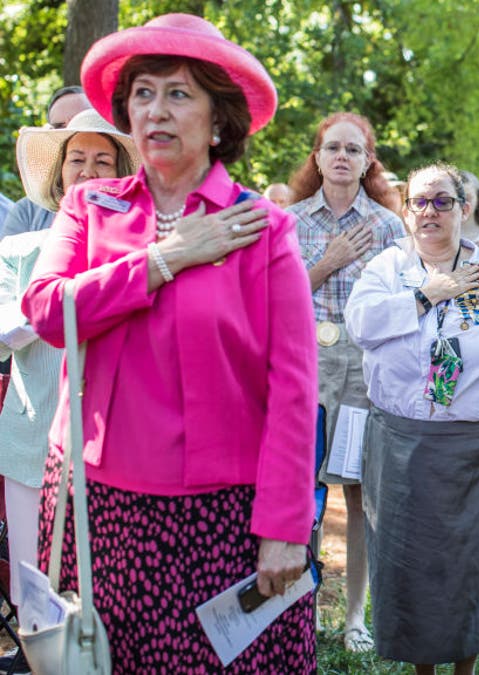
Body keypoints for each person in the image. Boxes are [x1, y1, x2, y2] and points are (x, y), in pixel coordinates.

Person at [21, 14, 318, 671]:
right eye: (144, 93)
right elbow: (46, 310)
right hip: (100, 509)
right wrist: (163, 259)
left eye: (179, 93)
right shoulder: (90, 207)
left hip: (227, 521)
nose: (156, 109)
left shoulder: (263, 228)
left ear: (219, 120)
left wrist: (284, 526)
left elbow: (295, 388)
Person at [344, 163, 479, 674]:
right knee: (410, 569)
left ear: (465, 209)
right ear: (405, 210)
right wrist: (428, 295)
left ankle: (465, 670)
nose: (430, 211)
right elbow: (361, 325)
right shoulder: (387, 269)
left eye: (442, 201)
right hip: (403, 447)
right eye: (419, 201)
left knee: (469, 569)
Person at [0, 107, 138, 675]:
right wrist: (64, 299)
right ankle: (37, 663)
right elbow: (5, 332)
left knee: (112, 584)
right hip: (32, 441)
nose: (87, 171)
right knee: (34, 584)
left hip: (118, 444)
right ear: (59, 176)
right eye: (76, 159)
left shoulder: (141, 255)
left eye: (102, 160)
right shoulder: (19, 249)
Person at [287, 110, 405, 653]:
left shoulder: (387, 226)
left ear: (367, 162)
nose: (341, 156)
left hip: (364, 368)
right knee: (302, 490)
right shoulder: (290, 221)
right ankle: (298, 609)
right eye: (332, 147)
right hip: (305, 364)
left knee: (360, 493)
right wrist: (327, 262)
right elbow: (274, 298)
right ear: (316, 158)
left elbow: (402, 305)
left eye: (353, 149)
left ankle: (356, 616)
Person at [1, 85, 91, 240]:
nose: (70, 133)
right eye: (60, 127)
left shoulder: (132, 205)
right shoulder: (26, 212)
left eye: (82, 122)